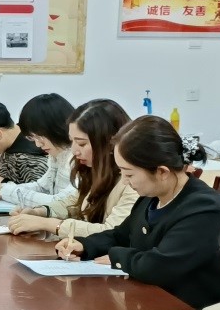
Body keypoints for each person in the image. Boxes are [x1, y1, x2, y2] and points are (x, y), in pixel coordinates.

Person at [66, 116, 220, 309]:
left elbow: (160, 266)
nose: (124, 181)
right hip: (155, 301)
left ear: (162, 172)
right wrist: (85, 246)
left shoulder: (203, 209)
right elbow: (121, 235)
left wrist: (118, 257)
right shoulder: (151, 197)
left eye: (129, 174)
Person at [9, 98, 137, 240]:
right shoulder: (95, 169)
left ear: (110, 142)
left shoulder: (133, 180)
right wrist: (41, 212)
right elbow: (76, 202)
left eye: (82, 144)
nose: (74, 151)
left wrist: (49, 224)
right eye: (72, 141)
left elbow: (111, 232)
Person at [0, 93, 74, 207]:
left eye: (40, 137)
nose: (38, 144)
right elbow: (42, 187)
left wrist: (5, 191)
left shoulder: (78, 158)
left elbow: (63, 203)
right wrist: (3, 188)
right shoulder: (58, 154)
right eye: (32, 138)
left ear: (56, 128)